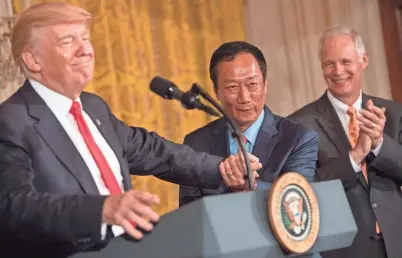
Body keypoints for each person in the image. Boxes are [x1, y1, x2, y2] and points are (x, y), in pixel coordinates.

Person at [0, 3, 262, 257]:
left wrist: (221, 169)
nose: (85, 51)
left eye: (85, 38)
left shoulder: (93, 107)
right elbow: (12, 206)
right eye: (68, 42)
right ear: (33, 60)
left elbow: (152, 151)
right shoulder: (11, 121)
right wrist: (101, 210)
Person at [288, 26, 402, 258]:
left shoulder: (392, 113)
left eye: (345, 61)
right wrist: (354, 156)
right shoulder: (300, 124)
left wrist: (380, 142)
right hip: (344, 249)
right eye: (329, 64)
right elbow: (303, 191)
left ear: (364, 60)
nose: (338, 71)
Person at [179, 41, 319, 206]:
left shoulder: (298, 138)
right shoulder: (196, 144)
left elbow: (298, 201)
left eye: (252, 84)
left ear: (265, 85)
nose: (244, 97)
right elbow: (190, 214)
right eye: (232, 87)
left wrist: (249, 185)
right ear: (216, 91)